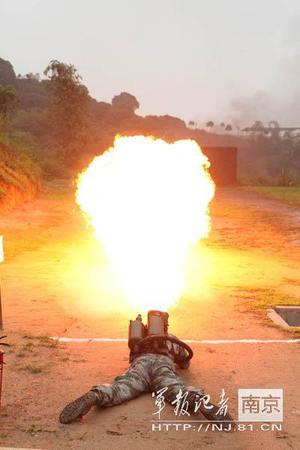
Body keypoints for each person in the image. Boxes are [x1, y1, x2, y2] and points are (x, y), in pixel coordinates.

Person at [59, 313, 233, 428]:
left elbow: (132, 356)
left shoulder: (139, 340)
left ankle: (96, 395)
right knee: (175, 391)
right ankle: (199, 401)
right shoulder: (171, 339)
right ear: (165, 325)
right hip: (162, 367)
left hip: (140, 366)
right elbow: (185, 363)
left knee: (121, 388)